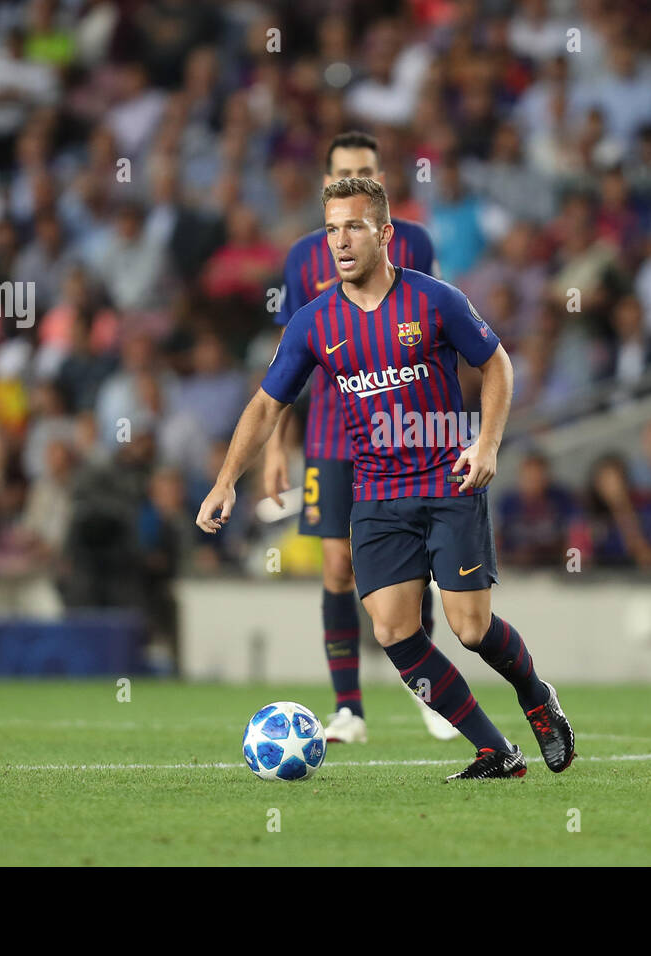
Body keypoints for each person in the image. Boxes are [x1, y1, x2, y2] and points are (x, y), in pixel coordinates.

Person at [197, 177, 575, 780]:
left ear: (384, 234)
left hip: (449, 481)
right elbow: (267, 405)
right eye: (330, 230)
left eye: (352, 227)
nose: (339, 242)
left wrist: (487, 442)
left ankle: (537, 698)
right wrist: (225, 481)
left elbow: (496, 362)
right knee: (394, 630)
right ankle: (493, 750)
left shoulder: (435, 300)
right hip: (375, 493)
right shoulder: (312, 323)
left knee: (471, 630)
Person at [260, 131, 453, 744]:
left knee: (414, 564)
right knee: (338, 565)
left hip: (406, 430)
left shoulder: (414, 242)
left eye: (365, 170)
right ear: (325, 184)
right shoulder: (302, 257)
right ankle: (350, 709)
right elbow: (288, 359)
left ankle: (428, 694)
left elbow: (441, 327)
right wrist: (273, 445)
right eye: (343, 171)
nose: (354, 178)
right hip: (331, 433)